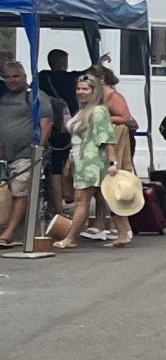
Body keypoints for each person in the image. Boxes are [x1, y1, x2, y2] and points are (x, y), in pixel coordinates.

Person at [58, 75, 132, 249]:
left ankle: (70, 237)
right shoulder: (83, 110)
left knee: (81, 200)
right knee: (107, 196)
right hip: (80, 157)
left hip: (92, 160)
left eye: (85, 89)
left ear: (94, 91)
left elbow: (107, 138)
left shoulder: (98, 111)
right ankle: (123, 233)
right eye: (79, 88)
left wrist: (113, 162)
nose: (80, 92)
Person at [1, 59, 47, 248]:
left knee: (21, 192)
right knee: (10, 193)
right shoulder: (3, 97)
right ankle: (28, 232)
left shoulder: (35, 96)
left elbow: (46, 122)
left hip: (27, 154)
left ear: (24, 76)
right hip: (5, 156)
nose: (11, 80)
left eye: (15, 76)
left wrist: (38, 149)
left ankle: (8, 234)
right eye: (7, 77)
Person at [37, 48, 77, 204]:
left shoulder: (42, 77)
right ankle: (68, 194)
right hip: (68, 126)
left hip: (48, 126)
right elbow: (90, 72)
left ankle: (55, 205)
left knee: (52, 166)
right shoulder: (71, 78)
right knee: (68, 161)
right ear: (65, 63)